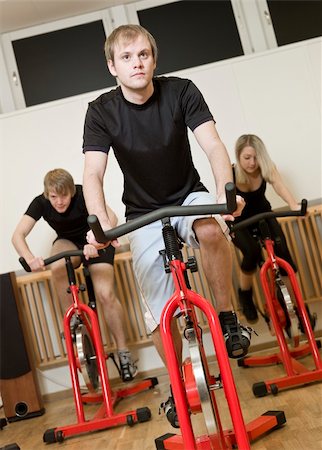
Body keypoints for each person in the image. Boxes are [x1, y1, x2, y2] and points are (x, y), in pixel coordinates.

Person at [82, 24, 250, 426]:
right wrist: (100, 220)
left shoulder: (182, 90)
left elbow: (212, 143)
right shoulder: (101, 111)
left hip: (187, 195)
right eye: (126, 58)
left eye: (143, 55)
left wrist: (225, 193)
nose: (136, 63)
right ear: (112, 67)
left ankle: (227, 321)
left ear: (154, 60)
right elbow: (93, 173)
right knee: (160, 311)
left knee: (210, 231)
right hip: (142, 215)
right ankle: (177, 385)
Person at [12, 168, 137, 382]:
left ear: (72, 191)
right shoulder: (41, 202)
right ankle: (74, 322)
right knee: (58, 265)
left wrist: (95, 241)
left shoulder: (83, 193)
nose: (59, 202)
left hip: (97, 242)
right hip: (69, 243)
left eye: (64, 196)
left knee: (105, 294)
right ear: (47, 194)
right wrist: (30, 258)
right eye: (54, 197)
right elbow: (18, 235)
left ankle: (124, 353)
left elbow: (112, 218)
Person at [231, 134, 300, 324]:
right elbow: (225, 202)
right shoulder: (231, 173)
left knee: (284, 254)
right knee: (252, 252)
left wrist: (294, 205)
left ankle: (295, 307)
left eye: (255, 157)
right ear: (238, 156)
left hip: (263, 214)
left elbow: (279, 185)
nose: (252, 163)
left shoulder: (265, 168)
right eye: (247, 158)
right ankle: (245, 295)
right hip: (239, 222)